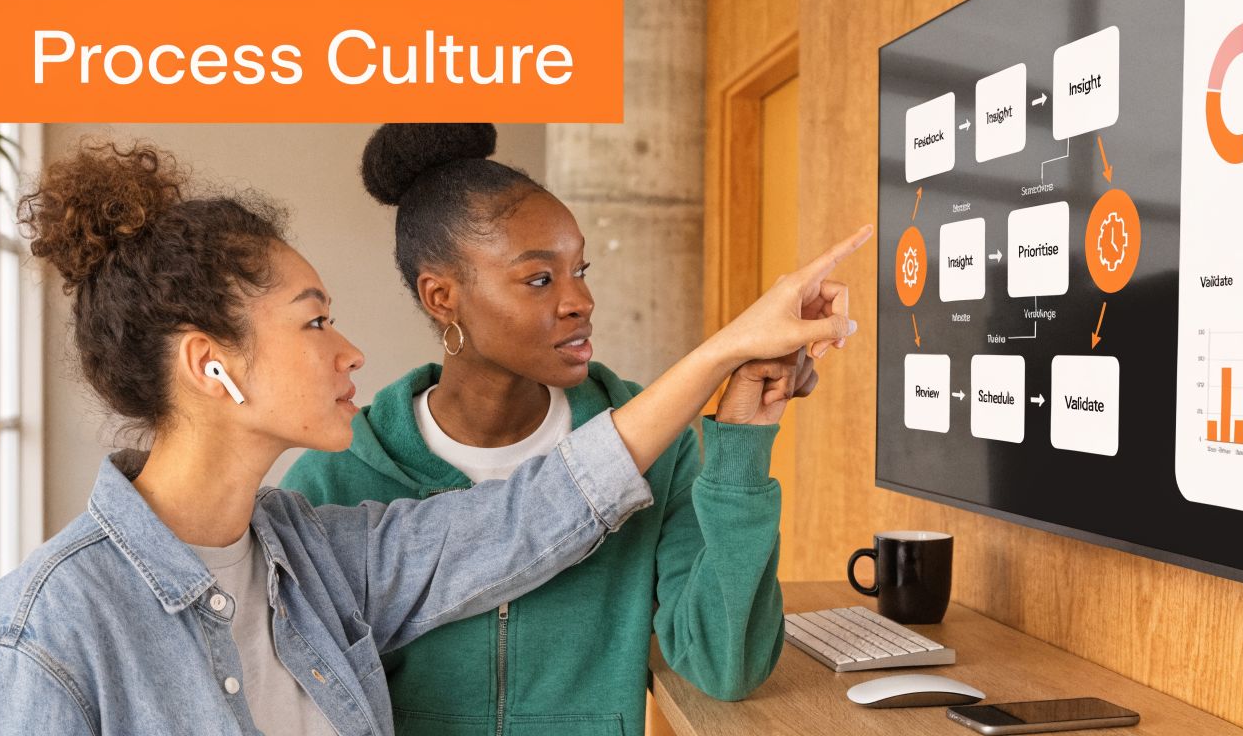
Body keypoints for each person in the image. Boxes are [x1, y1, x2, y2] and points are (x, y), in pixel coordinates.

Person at [0, 138, 869, 736]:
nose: (351, 348)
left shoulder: (316, 557)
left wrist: (727, 365)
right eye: (315, 322)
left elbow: (548, 508)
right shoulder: (49, 630)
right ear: (212, 365)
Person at [280, 123, 855, 736]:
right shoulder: (337, 475)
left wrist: (742, 442)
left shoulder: (652, 449)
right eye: (539, 279)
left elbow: (725, 666)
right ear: (442, 296)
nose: (580, 299)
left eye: (579, 269)